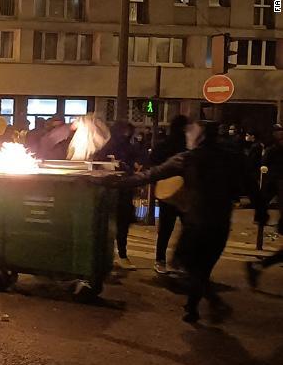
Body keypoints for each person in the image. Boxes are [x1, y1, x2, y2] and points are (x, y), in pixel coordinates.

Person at [100, 121, 240, 324]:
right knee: (203, 267)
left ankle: (209, 303)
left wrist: (116, 183)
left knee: (190, 266)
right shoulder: (232, 158)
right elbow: (250, 186)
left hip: (196, 222)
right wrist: (261, 211)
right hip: (221, 221)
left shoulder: (187, 159)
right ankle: (193, 308)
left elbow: (150, 174)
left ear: (198, 137)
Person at [95, 120, 138, 270]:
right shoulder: (110, 147)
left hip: (122, 191)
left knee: (120, 225)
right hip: (115, 191)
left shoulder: (125, 147)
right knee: (113, 226)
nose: (127, 135)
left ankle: (120, 255)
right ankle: (114, 256)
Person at [151, 115, 189, 274]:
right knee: (187, 227)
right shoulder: (188, 146)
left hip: (166, 190)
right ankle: (179, 261)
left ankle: (160, 260)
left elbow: (153, 163)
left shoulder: (163, 145)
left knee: (166, 228)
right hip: (185, 191)